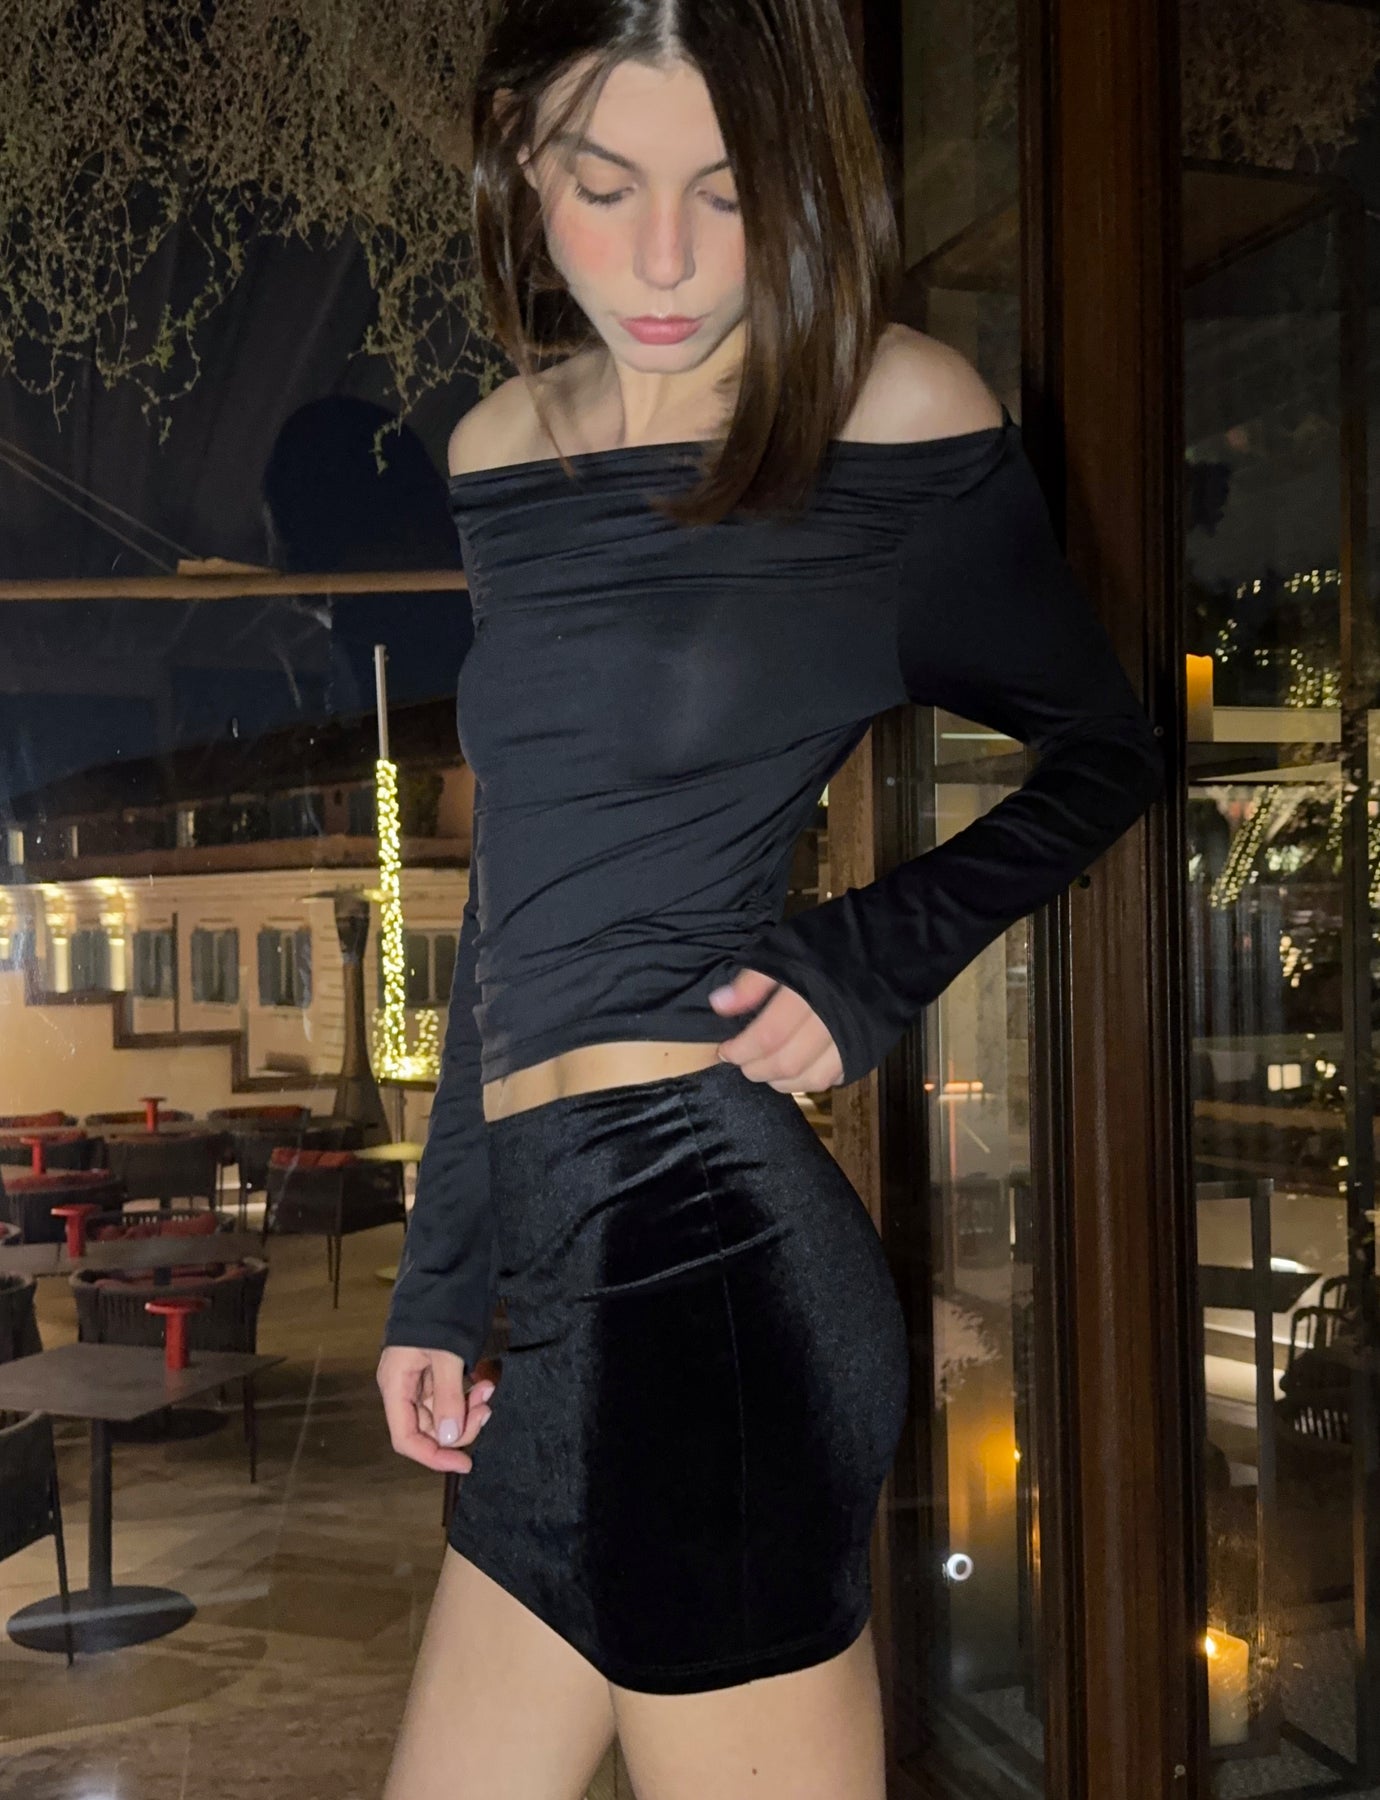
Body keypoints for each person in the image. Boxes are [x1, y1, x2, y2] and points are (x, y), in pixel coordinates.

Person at [375, 3, 1165, 1795]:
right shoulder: (499, 453)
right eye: (606, 185)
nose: (664, 260)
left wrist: (874, 952)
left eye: (729, 193)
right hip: (556, 1293)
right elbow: (516, 903)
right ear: (520, 156)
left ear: (806, 179)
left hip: (709, 1272)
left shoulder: (891, 417)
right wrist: (442, 1281)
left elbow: (1104, 750)